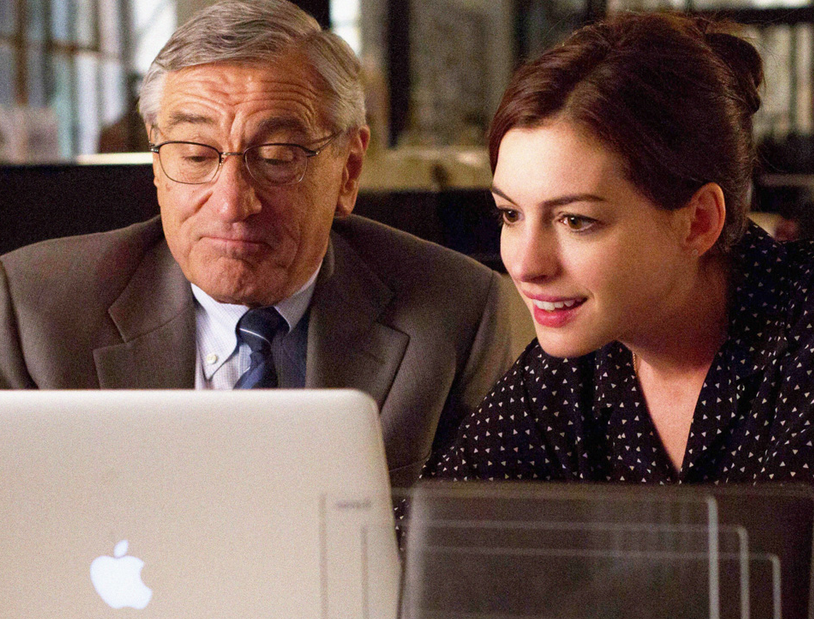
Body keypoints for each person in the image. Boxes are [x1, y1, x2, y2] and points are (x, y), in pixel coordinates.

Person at [0, 0, 516, 488]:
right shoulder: (34, 310)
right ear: (157, 162)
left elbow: (468, 539)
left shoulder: (456, 312)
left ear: (349, 170)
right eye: (195, 155)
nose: (232, 204)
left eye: (276, 157)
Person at [427, 12, 814, 483]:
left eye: (575, 221)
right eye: (511, 214)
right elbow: (431, 518)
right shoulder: (568, 372)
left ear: (698, 222)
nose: (526, 266)